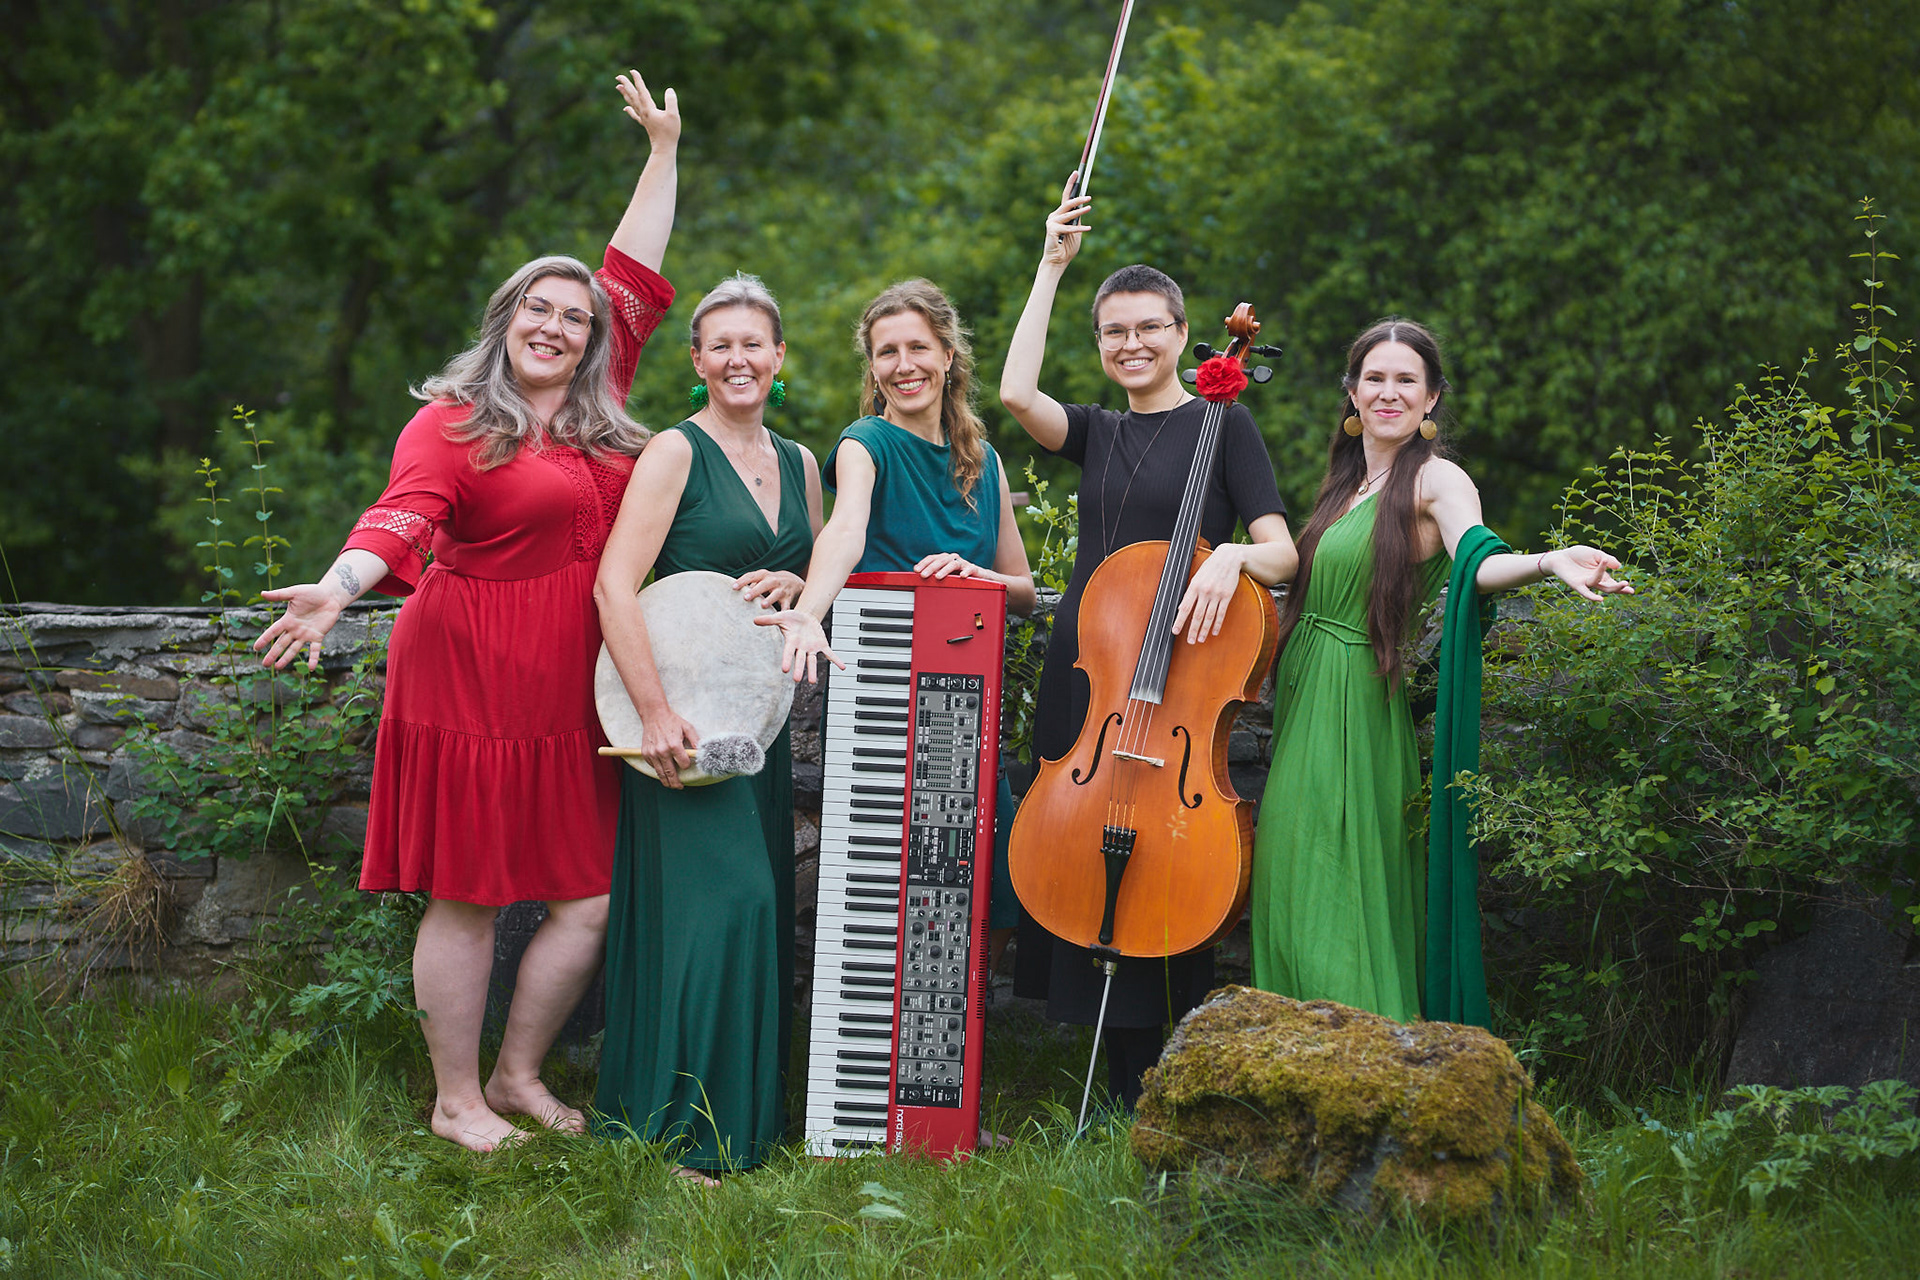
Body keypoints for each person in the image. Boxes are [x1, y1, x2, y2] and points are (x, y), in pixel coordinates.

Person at [253, 71, 680, 1153]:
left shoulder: (603, 401)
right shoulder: (454, 422)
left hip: (574, 684)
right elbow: (398, 518)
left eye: (574, 316)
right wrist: (337, 588)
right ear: (505, 321)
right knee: (472, 893)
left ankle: (517, 1075)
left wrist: (662, 152)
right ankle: (456, 1103)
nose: (557, 324)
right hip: (472, 672)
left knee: (589, 895)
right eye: (538, 307)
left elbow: (632, 269)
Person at [996, 178, 1299, 1107]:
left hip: (1176, 693)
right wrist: (1050, 268)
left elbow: (1285, 552)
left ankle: (1156, 1074)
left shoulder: (1226, 425)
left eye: (1148, 328)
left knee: (1163, 862)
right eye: (1113, 332)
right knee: (1075, 851)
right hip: (1090, 681)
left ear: (1182, 334)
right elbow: (1014, 392)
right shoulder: (1097, 433)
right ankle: (1097, 1074)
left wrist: (1229, 557)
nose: (1131, 344)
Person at [1250, 318, 1632, 1024]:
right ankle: (1294, 1052)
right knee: (1290, 872)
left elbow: (1477, 561)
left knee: (1339, 882)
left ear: (1431, 400)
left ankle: (1361, 1055)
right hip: (1305, 699)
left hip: (1355, 705)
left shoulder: (1436, 479)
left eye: (1407, 380)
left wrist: (1549, 561)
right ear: (1352, 392)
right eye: (1374, 378)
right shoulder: (1347, 484)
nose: (1388, 392)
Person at [590, 273, 823, 1182]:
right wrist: (654, 714)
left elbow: (815, 586)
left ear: (779, 355)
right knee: (727, 908)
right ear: (696, 359)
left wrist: (801, 583)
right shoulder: (674, 454)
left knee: (747, 917)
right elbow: (615, 587)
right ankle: (683, 1132)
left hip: (756, 730)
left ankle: (739, 1127)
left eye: (752, 343)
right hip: (678, 728)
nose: (737, 359)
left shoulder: (803, 465)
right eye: (719, 344)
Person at [759, 278, 1036, 979]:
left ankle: (952, 1021)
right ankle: (877, 1013)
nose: (904, 364)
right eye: (887, 352)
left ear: (948, 355)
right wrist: (809, 610)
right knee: (887, 874)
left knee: (985, 878)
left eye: (918, 347)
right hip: (885, 687)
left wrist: (977, 577)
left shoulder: (986, 462)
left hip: (966, 695)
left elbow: (1025, 592)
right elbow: (845, 530)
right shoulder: (865, 443)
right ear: (873, 366)